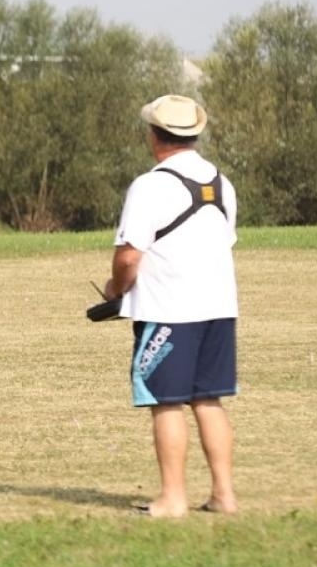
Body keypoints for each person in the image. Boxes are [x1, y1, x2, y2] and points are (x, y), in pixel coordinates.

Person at [102, 94, 239, 517]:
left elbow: (128, 257)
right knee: (208, 401)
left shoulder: (150, 185)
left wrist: (115, 289)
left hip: (168, 311)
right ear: (194, 135)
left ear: (154, 136)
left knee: (167, 403)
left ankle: (172, 497)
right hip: (218, 308)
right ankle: (224, 495)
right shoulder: (222, 182)